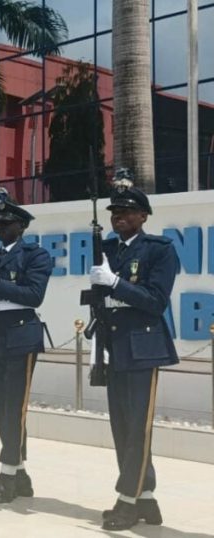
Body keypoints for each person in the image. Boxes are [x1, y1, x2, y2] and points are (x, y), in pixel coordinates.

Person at [88, 179, 177, 531]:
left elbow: (156, 302)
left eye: (126, 211)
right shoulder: (108, 250)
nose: (118, 216)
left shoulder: (159, 249)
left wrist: (114, 284)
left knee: (137, 429)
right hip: (114, 346)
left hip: (143, 348)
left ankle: (127, 501)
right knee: (123, 427)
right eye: (114, 212)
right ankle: (147, 499)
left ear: (143, 215)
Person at [0, 197, 53, 503]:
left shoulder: (36, 255)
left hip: (21, 336)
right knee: (0, 408)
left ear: (22, 226)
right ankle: (19, 473)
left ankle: (7, 475)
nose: (1, 228)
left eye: (7, 223)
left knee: (14, 409)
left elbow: (34, 295)